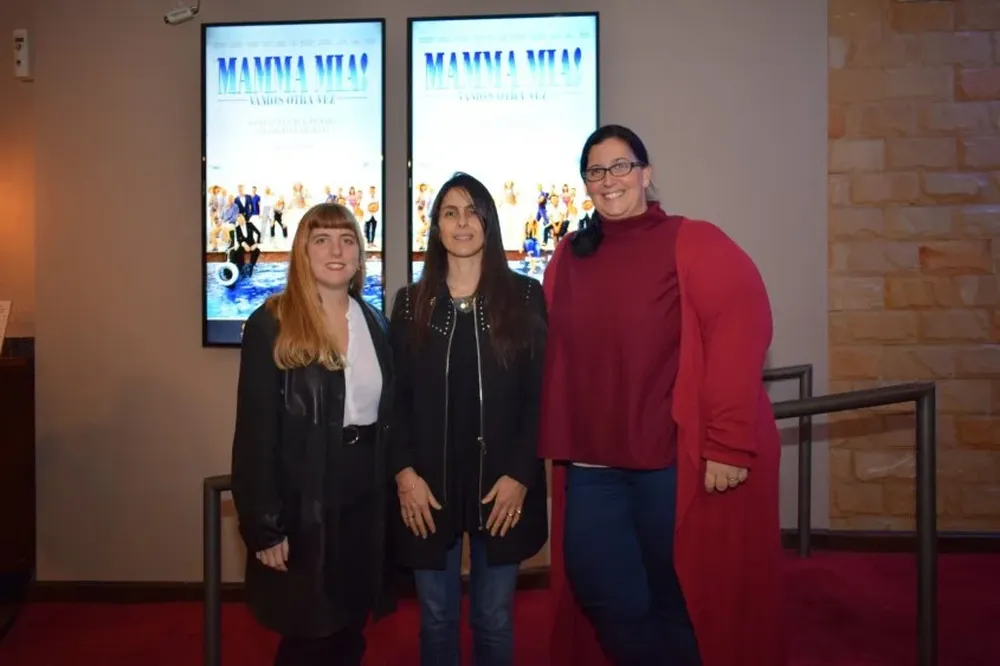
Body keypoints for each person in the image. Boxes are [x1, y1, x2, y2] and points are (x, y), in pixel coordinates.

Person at [540, 124, 785, 666]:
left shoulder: (691, 240)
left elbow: (740, 327)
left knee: (678, 597)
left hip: (666, 463)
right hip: (592, 464)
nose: (609, 180)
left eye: (621, 166)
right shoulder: (567, 256)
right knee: (606, 594)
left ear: (646, 174)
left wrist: (726, 442)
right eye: (596, 171)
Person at [389, 172, 549, 666]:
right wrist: (403, 475)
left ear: (489, 222)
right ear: (436, 226)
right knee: (435, 618)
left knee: (493, 617)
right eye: (450, 213)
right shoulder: (409, 304)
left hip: (502, 485)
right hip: (427, 486)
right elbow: (393, 402)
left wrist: (522, 475)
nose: (463, 223)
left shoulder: (525, 297)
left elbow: (539, 396)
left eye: (473, 212)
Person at [230, 202, 396, 666]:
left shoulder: (376, 323)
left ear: (361, 255)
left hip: (365, 499)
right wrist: (264, 526)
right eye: (321, 239)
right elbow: (255, 433)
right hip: (305, 506)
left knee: (348, 627)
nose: (336, 250)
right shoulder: (271, 324)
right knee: (309, 634)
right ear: (302, 252)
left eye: (347, 240)